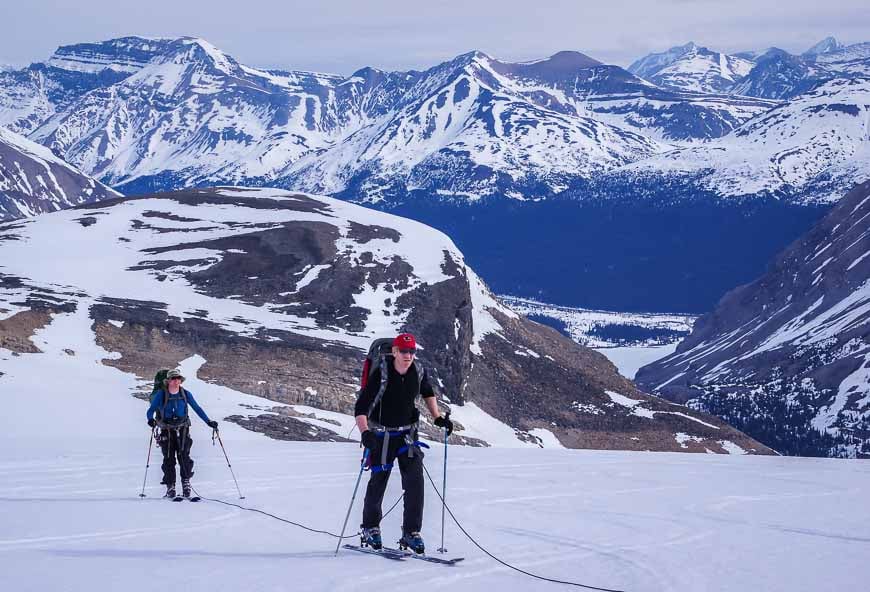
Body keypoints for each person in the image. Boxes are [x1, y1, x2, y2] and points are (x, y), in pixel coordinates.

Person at [354, 333, 454, 554]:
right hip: (381, 435)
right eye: (404, 351)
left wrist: (437, 417)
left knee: (415, 482)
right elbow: (361, 407)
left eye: (412, 351)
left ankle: (411, 532)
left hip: (408, 436)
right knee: (378, 481)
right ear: (395, 351)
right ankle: (370, 528)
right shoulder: (382, 373)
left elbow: (427, 392)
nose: (408, 355)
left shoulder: (417, 371)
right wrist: (365, 432)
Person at [146, 369, 218, 498]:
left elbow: (197, 408)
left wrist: (208, 421)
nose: (176, 381)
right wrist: (150, 420)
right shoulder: (161, 394)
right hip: (167, 430)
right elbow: (150, 410)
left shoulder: (185, 394)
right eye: (173, 378)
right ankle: (170, 486)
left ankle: (185, 484)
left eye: (178, 378)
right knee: (169, 459)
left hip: (183, 429)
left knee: (184, 457)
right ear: (168, 381)